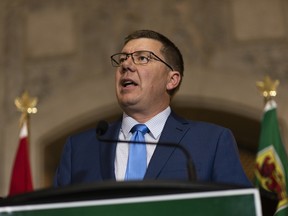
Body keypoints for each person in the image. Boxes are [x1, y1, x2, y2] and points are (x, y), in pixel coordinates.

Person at [54, 30, 252, 187]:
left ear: (172, 79)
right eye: (122, 59)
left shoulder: (211, 142)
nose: (126, 66)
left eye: (142, 58)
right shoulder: (79, 148)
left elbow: (237, 209)